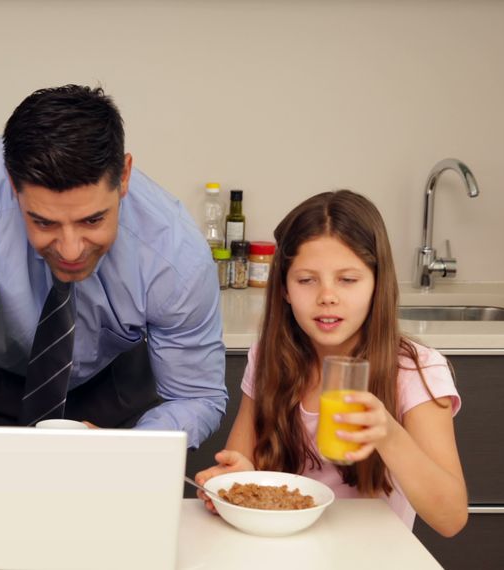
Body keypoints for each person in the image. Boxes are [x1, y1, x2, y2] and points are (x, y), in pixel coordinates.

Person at [0, 84, 226, 445]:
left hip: (112, 394)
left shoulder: (176, 255)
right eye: (44, 223)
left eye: (92, 221)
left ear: (123, 177)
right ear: (13, 184)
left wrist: (133, 450)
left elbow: (196, 396)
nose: (71, 250)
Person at [194, 190, 468, 537]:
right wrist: (238, 478)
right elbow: (239, 460)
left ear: (377, 284)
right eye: (307, 280)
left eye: (348, 279)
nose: (327, 296)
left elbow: (451, 518)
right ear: (284, 289)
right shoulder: (269, 356)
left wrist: (388, 433)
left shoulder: (416, 371)